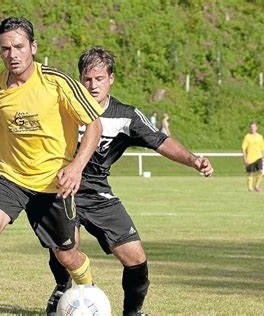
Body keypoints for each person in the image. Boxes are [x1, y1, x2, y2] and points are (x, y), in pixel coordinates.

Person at [44, 47, 214, 316]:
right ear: (80, 80)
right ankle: (61, 289)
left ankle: (132, 313)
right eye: (87, 79)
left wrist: (193, 160)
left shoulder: (126, 115)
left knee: (136, 258)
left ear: (111, 78)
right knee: (66, 249)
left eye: (99, 79)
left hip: (99, 194)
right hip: (61, 191)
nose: (93, 85)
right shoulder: (61, 107)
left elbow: (160, 140)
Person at [0, 17, 104, 316]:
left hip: (54, 182)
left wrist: (75, 167)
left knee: (67, 254)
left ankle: (90, 294)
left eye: (19, 46)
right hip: (10, 177)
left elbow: (94, 125)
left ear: (33, 47)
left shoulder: (57, 82)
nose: (13, 54)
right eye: (5, 49)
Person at [242, 121, 264, 192]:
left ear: (256, 128)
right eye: (251, 127)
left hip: (258, 157)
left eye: (254, 127)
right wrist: (245, 158)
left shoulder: (260, 137)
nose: (253, 129)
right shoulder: (247, 137)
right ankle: (250, 187)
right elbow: (243, 148)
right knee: (251, 173)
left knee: (261, 171)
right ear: (250, 128)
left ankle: (256, 186)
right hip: (250, 158)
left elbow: (263, 148)